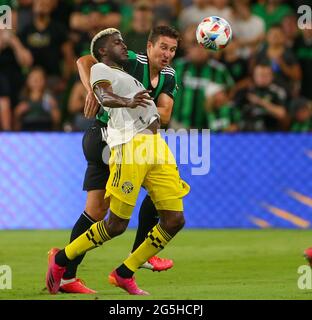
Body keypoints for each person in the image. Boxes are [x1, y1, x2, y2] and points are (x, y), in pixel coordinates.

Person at [46, 28, 190, 295]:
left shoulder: (168, 75)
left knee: (108, 210)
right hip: (104, 137)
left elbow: (166, 115)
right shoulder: (132, 60)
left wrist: (135, 106)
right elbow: (84, 61)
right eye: (163, 48)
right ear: (149, 46)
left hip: (145, 142)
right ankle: (71, 265)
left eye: (172, 49)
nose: (167, 54)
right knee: (103, 215)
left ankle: (82, 269)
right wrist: (94, 91)